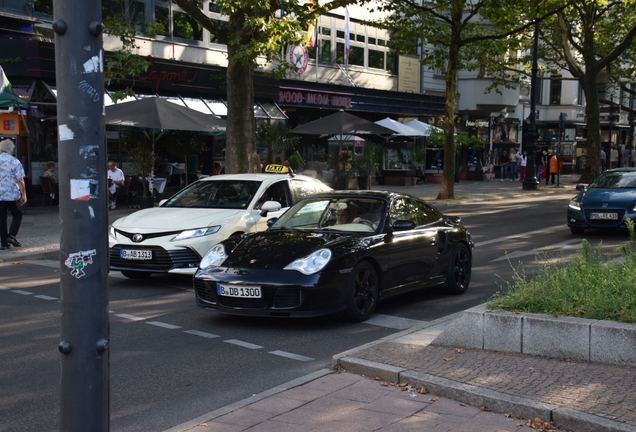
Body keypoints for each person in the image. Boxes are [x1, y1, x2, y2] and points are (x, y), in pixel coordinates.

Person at [0, 139, 27, 250]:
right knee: (17, 215)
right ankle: (11, 235)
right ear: (11, 149)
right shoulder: (14, 161)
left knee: (1, 219)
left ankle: (3, 243)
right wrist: (24, 194)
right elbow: (20, 180)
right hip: (12, 195)